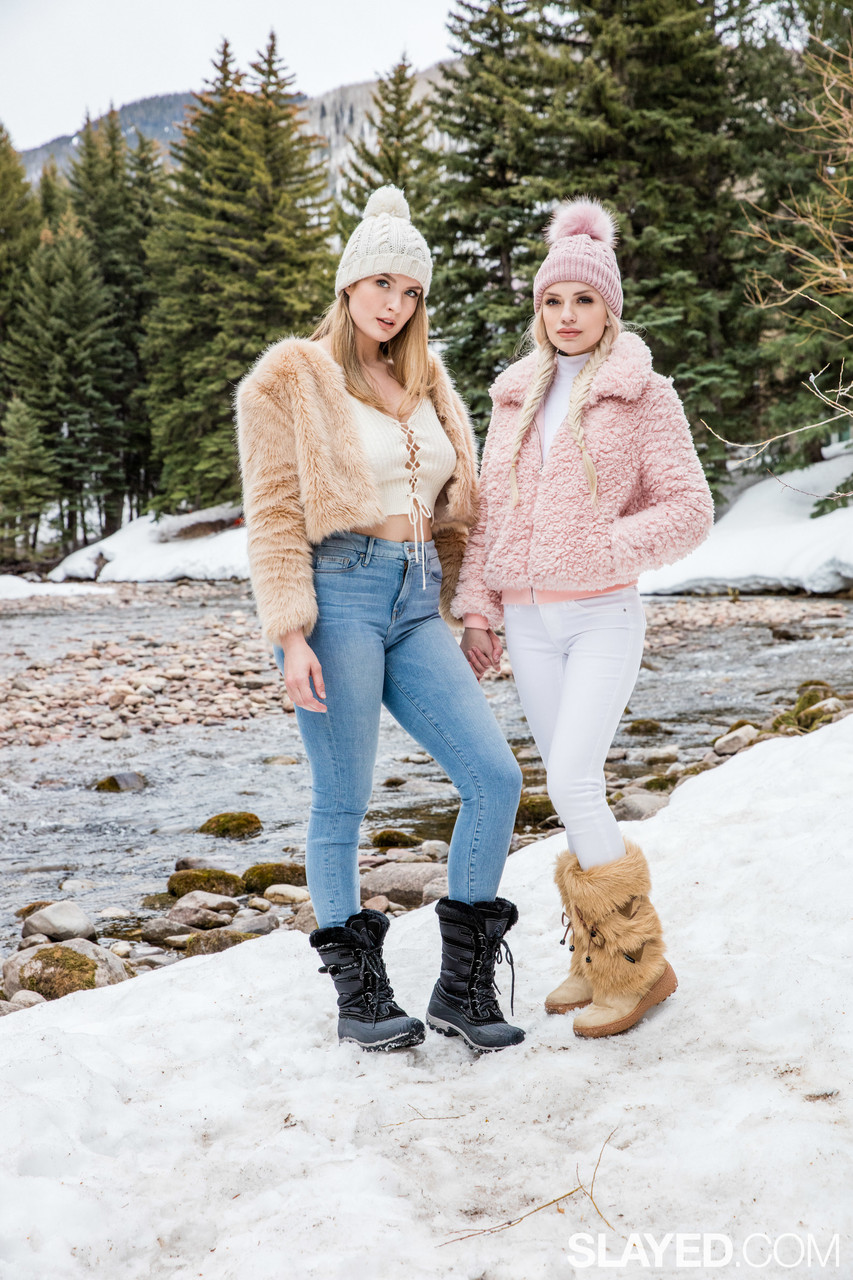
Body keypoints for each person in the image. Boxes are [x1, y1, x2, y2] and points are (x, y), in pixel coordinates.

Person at [236, 187, 524, 1053]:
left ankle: (461, 990)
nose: (394, 304)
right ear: (349, 283)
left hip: (416, 598)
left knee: (495, 778)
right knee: (343, 800)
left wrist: (470, 610)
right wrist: (290, 633)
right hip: (339, 596)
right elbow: (274, 513)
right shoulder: (289, 378)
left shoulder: (428, 382)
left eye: (410, 290)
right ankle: (359, 997)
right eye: (381, 284)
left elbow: (457, 511)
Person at [453, 197, 714, 1038]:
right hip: (527, 624)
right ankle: (596, 954)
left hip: (601, 614)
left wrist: (603, 546)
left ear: (609, 308)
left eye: (583, 300)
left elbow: (689, 509)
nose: (566, 316)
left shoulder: (644, 396)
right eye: (552, 301)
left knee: (570, 778)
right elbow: (489, 519)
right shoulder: (512, 398)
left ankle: (637, 968)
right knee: (569, 789)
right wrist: (478, 608)